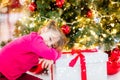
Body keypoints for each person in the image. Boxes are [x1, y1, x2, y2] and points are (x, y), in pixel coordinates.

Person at [0, 20, 68, 80]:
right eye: (50, 39)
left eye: (52, 46)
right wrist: (52, 57)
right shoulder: (34, 39)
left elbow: (57, 53)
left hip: (13, 75)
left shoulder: (40, 45)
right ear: (44, 30)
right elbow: (49, 53)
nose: (49, 45)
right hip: (2, 72)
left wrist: (52, 58)